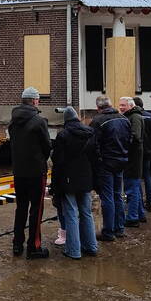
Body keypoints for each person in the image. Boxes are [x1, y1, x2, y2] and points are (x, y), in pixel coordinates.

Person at [8, 87, 52, 259]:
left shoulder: (12, 121)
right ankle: (34, 246)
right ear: (34, 101)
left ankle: (17, 244)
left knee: (21, 208)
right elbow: (47, 146)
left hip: (19, 171)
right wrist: (40, 160)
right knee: (36, 209)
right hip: (36, 172)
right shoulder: (39, 121)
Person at [51, 107, 99, 259]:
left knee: (71, 214)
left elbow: (57, 161)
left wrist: (55, 185)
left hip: (68, 180)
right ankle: (91, 246)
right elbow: (95, 157)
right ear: (77, 117)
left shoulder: (63, 135)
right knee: (86, 213)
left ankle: (74, 250)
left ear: (65, 120)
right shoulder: (90, 133)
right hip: (86, 178)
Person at [89, 95, 131, 241]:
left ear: (98, 107)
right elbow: (129, 139)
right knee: (117, 195)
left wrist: (97, 162)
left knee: (107, 197)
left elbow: (92, 145)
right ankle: (119, 228)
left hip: (106, 163)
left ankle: (108, 231)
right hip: (121, 160)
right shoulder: (124, 119)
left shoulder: (98, 121)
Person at [119, 97, 145, 227]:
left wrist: (123, 147)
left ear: (130, 105)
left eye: (123, 105)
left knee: (132, 188)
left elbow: (135, 137)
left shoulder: (134, 117)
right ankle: (139, 214)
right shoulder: (134, 116)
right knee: (135, 187)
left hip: (133, 158)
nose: (121, 107)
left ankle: (132, 217)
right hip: (134, 157)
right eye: (120, 105)